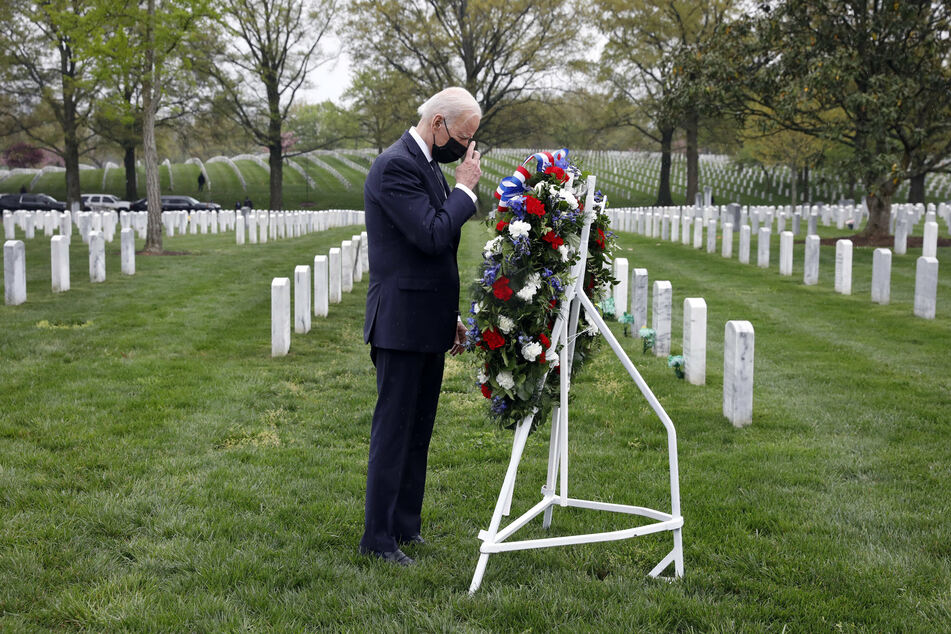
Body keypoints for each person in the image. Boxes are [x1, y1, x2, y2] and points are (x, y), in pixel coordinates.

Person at [359, 87, 482, 566]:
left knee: (417, 432)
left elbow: (427, 250)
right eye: (463, 138)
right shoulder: (395, 166)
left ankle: (405, 527)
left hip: (424, 319)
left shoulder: (426, 163)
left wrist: (447, 315)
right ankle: (377, 539)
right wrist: (465, 189)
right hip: (398, 322)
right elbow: (432, 235)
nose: (466, 150)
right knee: (394, 433)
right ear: (438, 124)